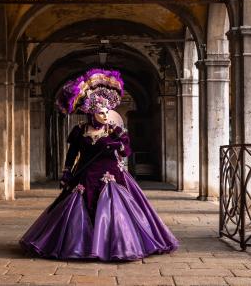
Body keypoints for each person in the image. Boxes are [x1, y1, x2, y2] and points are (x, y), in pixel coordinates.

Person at [19, 68, 179, 261]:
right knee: (76, 206)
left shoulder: (115, 130)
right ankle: (79, 245)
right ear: (91, 113)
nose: (105, 116)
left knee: (115, 209)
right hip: (85, 175)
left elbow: (126, 151)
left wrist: (117, 144)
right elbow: (72, 153)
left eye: (106, 112)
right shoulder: (79, 131)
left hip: (112, 175)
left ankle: (117, 245)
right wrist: (67, 171)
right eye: (101, 113)